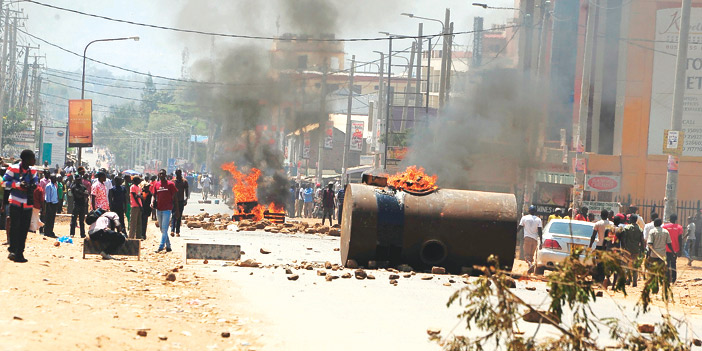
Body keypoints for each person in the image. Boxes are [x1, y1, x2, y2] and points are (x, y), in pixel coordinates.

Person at [4, 150, 39, 262]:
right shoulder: (13, 168)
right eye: (32, 158)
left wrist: (33, 185)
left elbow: (36, 182)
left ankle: (20, 252)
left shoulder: (33, 170)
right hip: (15, 202)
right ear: (26, 159)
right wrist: (18, 184)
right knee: (15, 227)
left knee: (24, 229)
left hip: (28, 203)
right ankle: (13, 250)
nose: (34, 160)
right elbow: (3, 182)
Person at [152, 169, 177, 253]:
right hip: (159, 209)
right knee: (162, 229)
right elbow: (154, 195)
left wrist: (176, 209)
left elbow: (175, 197)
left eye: (163, 174)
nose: (161, 175)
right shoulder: (157, 184)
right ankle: (168, 246)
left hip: (167, 209)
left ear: (165, 175)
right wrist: (152, 202)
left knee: (165, 228)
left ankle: (161, 246)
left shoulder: (170, 184)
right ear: (158, 175)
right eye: (160, 174)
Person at [619, 214, 645, 287]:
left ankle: (627, 280)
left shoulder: (626, 228)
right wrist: (643, 250)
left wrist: (623, 248)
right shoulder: (640, 229)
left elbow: (623, 239)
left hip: (627, 249)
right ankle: (634, 282)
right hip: (636, 250)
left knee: (626, 265)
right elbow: (642, 241)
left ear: (631, 220)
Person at [589, 209, 614, 284]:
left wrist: (590, 245)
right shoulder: (611, 224)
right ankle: (605, 279)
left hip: (599, 245)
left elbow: (593, 236)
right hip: (608, 246)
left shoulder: (598, 224)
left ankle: (599, 279)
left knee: (599, 262)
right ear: (607, 215)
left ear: (601, 215)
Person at [518, 205, 543, 272]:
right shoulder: (538, 219)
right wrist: (541, 241)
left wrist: (515, 234)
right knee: (531, 256)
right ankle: (530, 268)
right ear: (535, 212)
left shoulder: (524, 218)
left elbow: (520, 227)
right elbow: (540, 231)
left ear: (528, 211)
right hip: (535, 240)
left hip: (527, 239)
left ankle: (530, 265)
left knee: (526, 256)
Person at [662, 214, 683, 283]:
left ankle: (667, 278)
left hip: (666, 248)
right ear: (676, 219)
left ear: (670, 219)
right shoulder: (679, 227)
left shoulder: (665, 227)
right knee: (673, 263)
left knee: (667, 263)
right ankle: (674, 279)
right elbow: (680, 239)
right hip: (675, 249)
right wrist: (680, 249)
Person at [170, 169, 189, 237]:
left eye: (179, 173)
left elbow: (187, 191)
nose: (178, 174)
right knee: (173, 215)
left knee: (179, 216)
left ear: (181, 173)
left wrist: (186, 199)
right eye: (177, 173)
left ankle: (177, 231)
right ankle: (172, 230)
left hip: (181, 201)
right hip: (173, 201)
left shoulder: (184, 181)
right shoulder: (172, 182)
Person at [70, 174, 89, 238]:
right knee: (73, 219)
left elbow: (86, 194)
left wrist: (84, 195)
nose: (78, 181)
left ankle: (82, 234)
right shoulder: (74, 187)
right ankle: (72, 233)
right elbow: (77, 195)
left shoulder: (83, 187)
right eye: (77, 179)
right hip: (76, 204)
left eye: (79, 179)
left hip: (82, 204)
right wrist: (83, 194)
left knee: (82, 220)